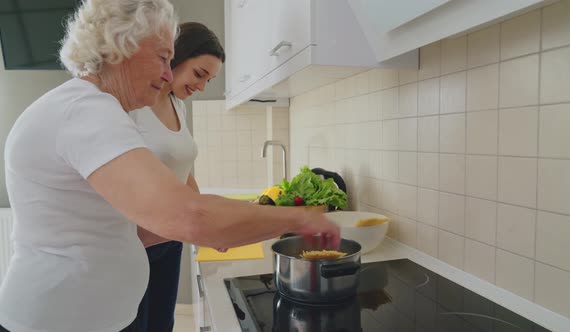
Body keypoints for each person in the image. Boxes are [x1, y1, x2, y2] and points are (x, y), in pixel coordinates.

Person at [0, 0, 340, 331]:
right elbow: (189, 216)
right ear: (122, 45)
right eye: (163, 57)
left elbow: (118, 227)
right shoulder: (85, 110)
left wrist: (230, 224)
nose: (167, 74)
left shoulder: (95, 108)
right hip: (60, 318)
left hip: (99, 314)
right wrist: (301, 217)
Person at [128, 22, 224, 332]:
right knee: (135, 325)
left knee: (161, 324)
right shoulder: (134, 106)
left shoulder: (178, 107)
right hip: (136, 242)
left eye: (208, 80)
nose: (201, 86)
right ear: (175, 57)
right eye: (199, 74)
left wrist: (207, 222)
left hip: (170, 241)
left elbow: (185, 174)